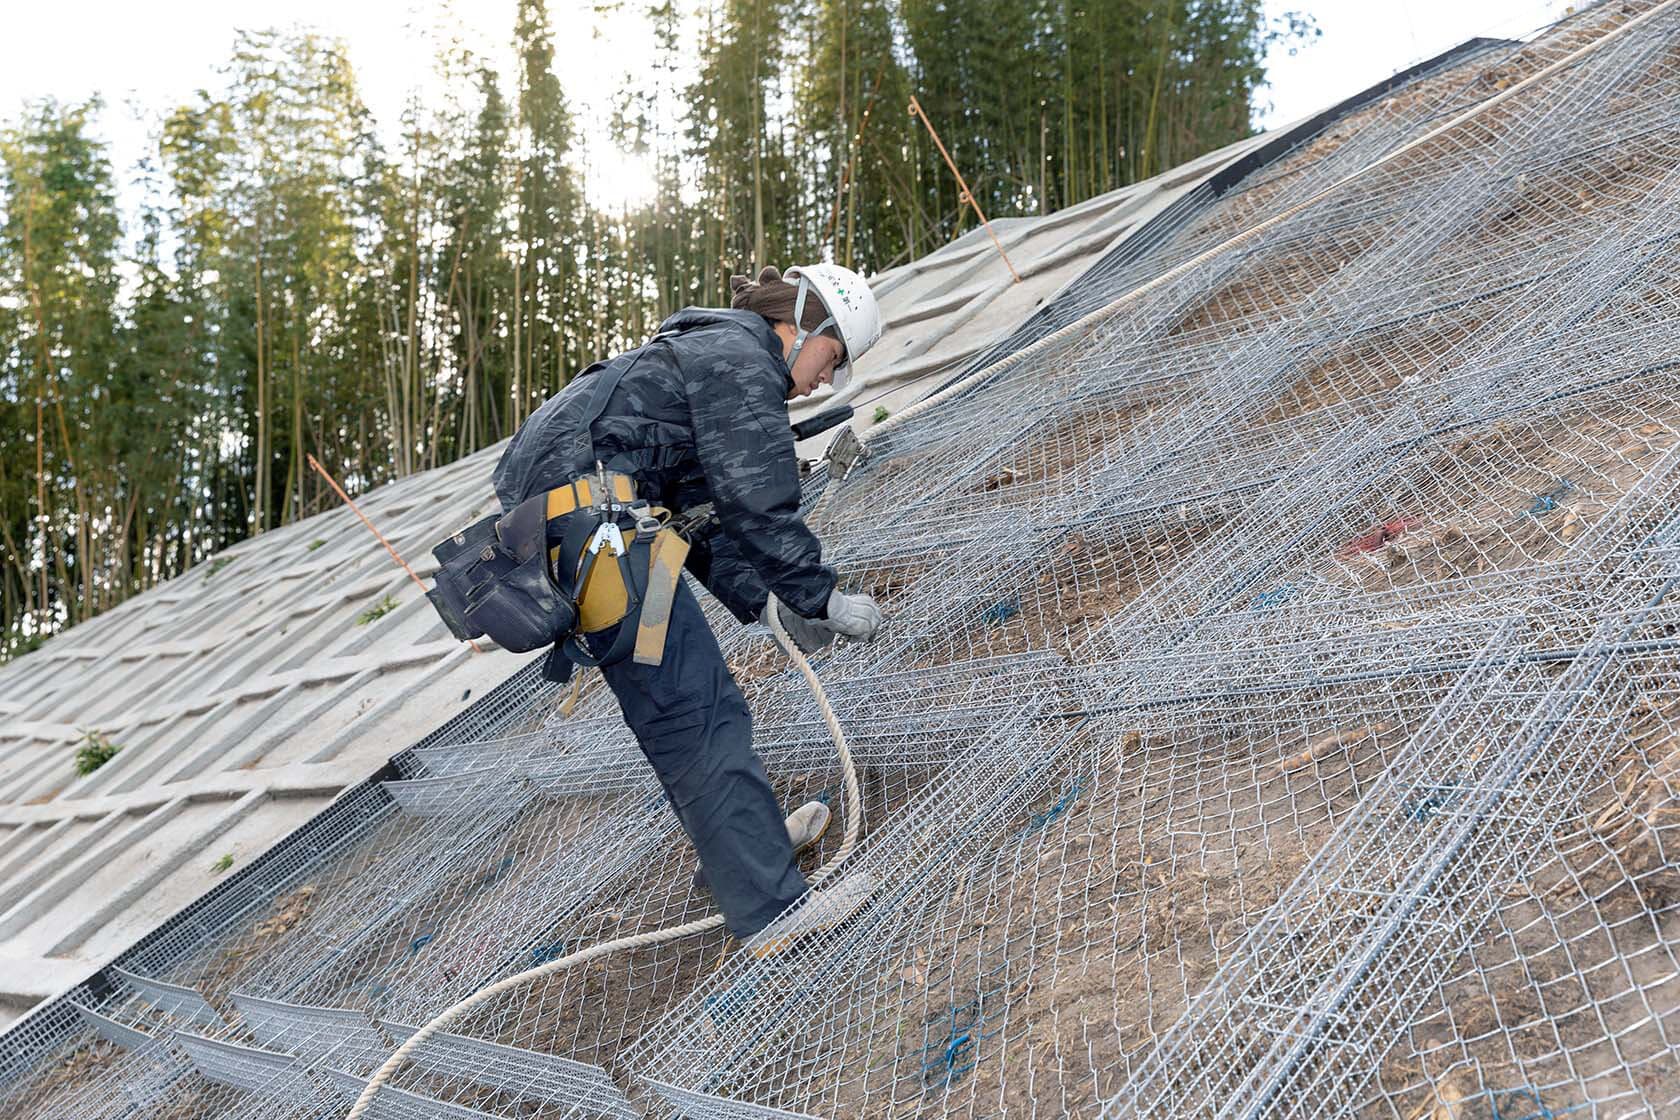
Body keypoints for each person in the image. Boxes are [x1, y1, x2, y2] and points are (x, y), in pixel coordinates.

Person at [491, 263, 886, 955]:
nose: (827, 379)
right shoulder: (739, 359)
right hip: (598, 529)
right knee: (696, 711)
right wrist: (817, 594)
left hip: (584, 528)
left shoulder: (702, 353)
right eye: (833, 357)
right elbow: (758, 500)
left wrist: (766, 604)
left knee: (686, 710)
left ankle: (748, 848)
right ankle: (772, 910)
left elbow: (697, 513)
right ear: (803, 324)